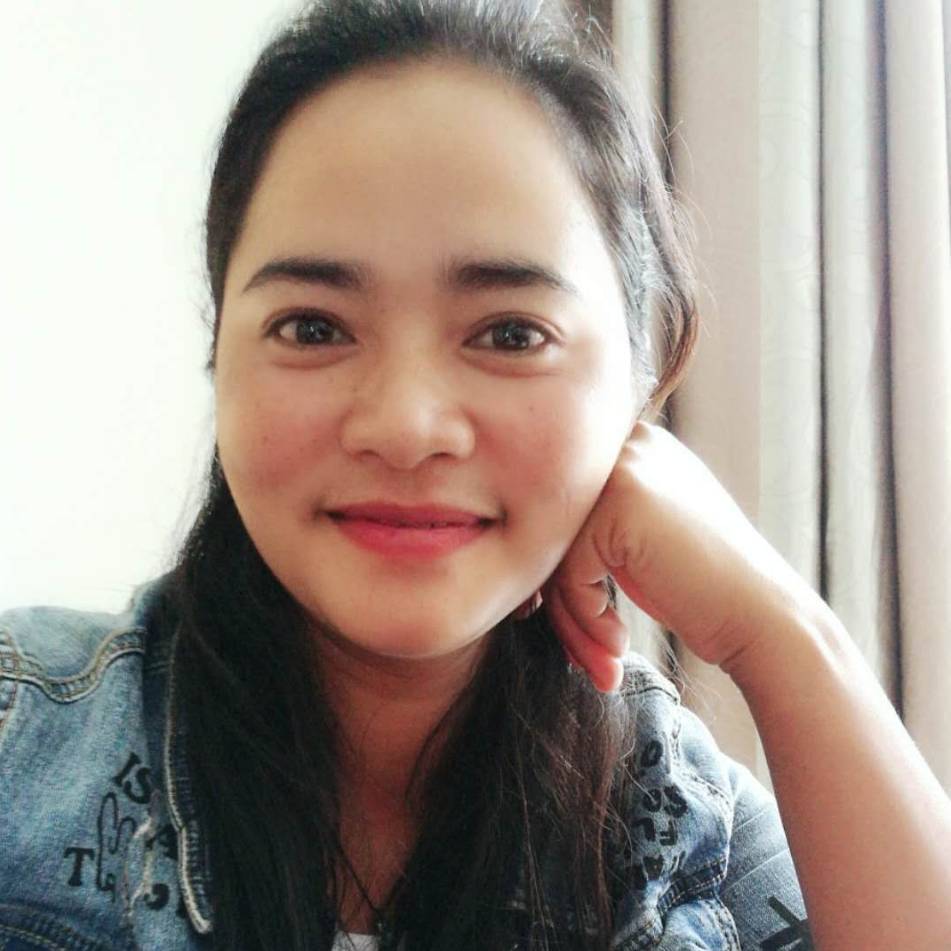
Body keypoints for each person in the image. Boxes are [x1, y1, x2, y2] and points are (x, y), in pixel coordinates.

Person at [2, 0, 949, 949]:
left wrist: (776, 630)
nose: (405, 427)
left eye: (510, 334)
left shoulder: (684, 828)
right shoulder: (21, 731)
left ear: (639, 380)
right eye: (313, 326)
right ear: (222, 354)